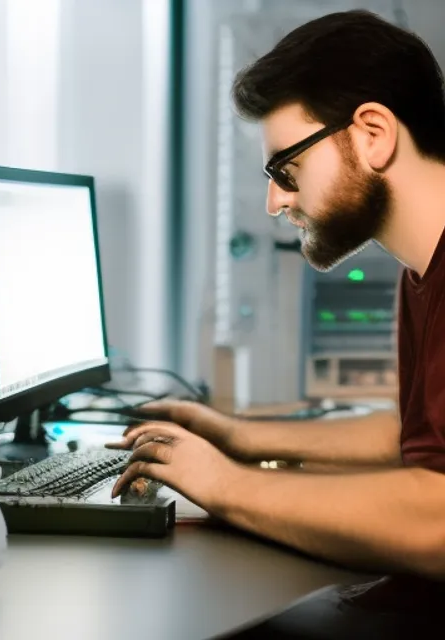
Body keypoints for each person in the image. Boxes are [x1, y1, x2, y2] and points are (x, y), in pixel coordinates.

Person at [108, 10, 445, 638]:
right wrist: (241, 436)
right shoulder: (421, 270)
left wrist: (225, 484)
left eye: (285, 170)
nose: (275, 202)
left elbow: (438, 523)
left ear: (372, 133)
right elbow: (413, 435)